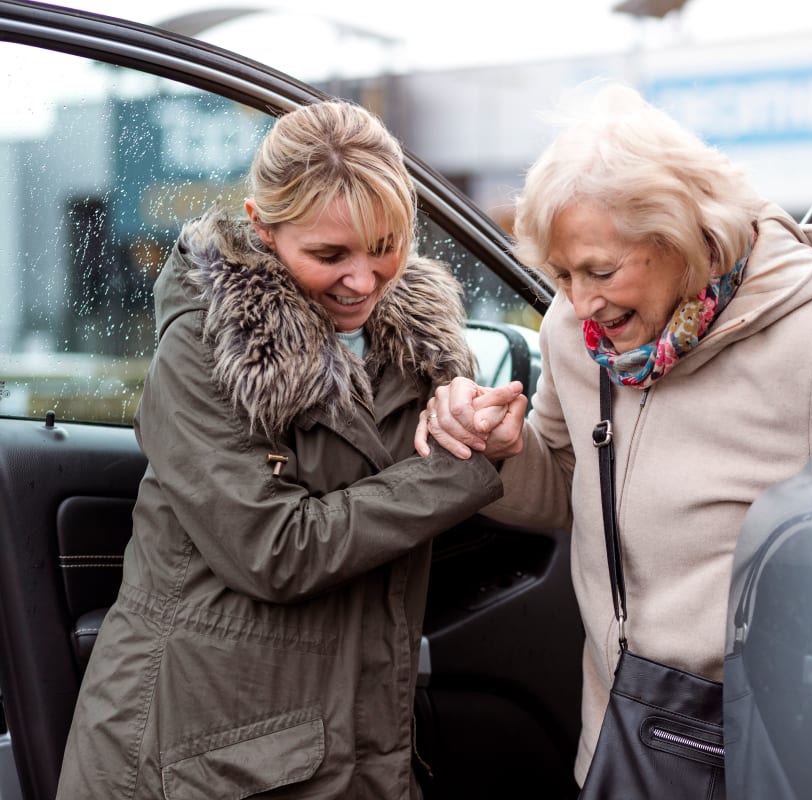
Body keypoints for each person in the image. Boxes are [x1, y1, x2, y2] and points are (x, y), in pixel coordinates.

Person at [415, 81, 812, 789]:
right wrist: (504, 450)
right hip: (617, 741)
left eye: (601, 270)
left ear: (686, 234)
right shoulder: (577, 332)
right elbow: (567, 489)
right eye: (561, 274)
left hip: (753, 756)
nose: (580, 302)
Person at [55, 99, 504, 800]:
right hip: (196, 751)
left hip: (348, 737)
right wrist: (458, 467)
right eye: (330, 255)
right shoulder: (206, 348)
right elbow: (274, 549)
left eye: (386, 245)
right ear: (263, 228)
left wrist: (478, 421)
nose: (363, 280)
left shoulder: (421, 345)